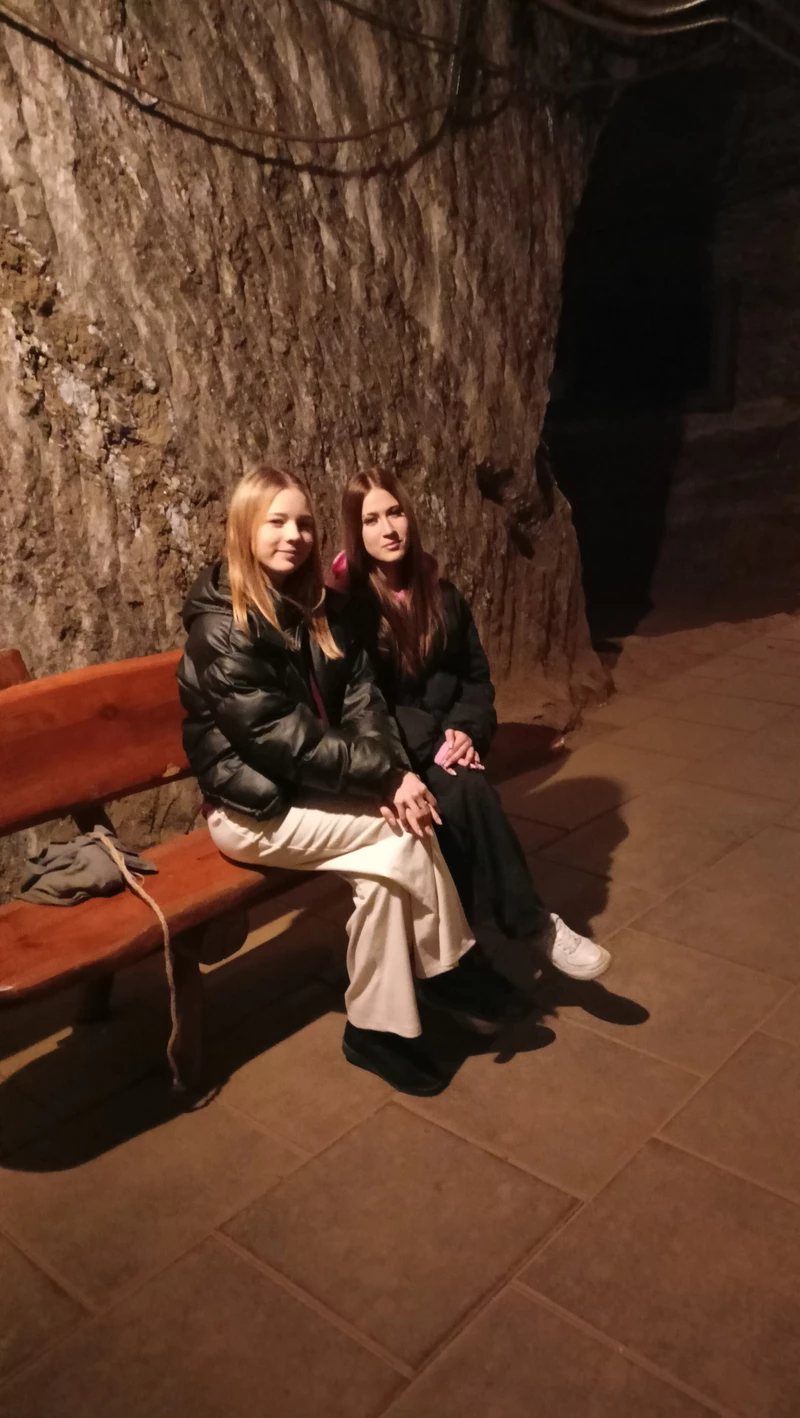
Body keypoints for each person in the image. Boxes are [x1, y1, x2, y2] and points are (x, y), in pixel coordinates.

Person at [177, 467, 515, 1100]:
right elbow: (281, 739)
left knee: (386, 869)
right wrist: (386, 776)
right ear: (245, 529)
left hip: (314, 788)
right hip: (253, 807)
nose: (294, 535)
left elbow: (365, 700)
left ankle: (376, 1029)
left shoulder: (318, 611)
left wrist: (389, 773)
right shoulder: (223, 627)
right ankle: (449, 969)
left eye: (304, 523)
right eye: (277, 522)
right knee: (402, 836)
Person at [331, 467, 611, 982]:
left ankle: (471, 951)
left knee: (463, 786)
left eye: (395, 512)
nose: (388, 528)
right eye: (371, 520)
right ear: (357, 531)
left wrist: (466, 729)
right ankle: (529, 926)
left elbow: (476, 681)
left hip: (445, 745)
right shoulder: (351, 614)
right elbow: (363, 705)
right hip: (392, 753)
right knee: (464, 792)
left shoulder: (444, 596)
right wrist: (433, 744)